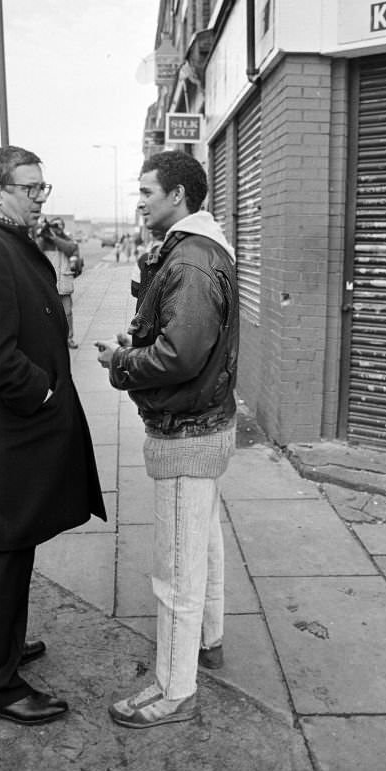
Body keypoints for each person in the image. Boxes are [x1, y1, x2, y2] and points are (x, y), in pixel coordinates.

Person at [0, 145, 106, 727]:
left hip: (15, 432)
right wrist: (42, 393)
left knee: (2, 550)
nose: (41, 197)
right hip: (9, 433)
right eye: (29, 187)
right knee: (6, 553)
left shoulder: (7, 240)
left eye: (44, 187)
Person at [96, 150, 239, 729]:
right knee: (202, 542)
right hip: (205, 425)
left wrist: (122, 362)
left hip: (186, 431)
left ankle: (174, 690)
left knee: (176, 566)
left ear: (177, 196)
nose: (141, 202)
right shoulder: (200, 249)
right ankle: (209, 641)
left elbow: (178, 355)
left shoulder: (192, 260)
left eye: (147, 192)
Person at [36, 216, 80, 349]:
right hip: (49, 284)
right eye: (54, 225)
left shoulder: (67, 240)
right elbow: (35, 251)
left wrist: (55, 238)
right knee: (48, 313)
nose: (57, 228)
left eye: (59, 225)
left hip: (64, 283)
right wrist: (43, 235)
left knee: (67, 313)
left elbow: (71, 249)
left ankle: (69, 338)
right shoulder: (44, 240)